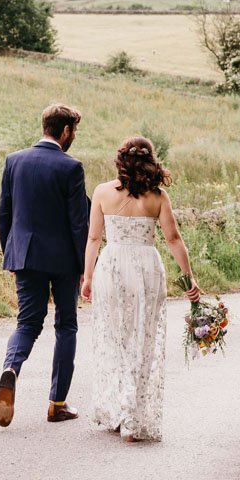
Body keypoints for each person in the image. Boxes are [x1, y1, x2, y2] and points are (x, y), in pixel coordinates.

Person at [80, 137, 201, 443]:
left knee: (114, 337)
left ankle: (119, 410)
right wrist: (189, 278)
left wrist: (88, 276)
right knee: (141, 340)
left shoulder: (102, 192)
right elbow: (173, 239)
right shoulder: (158, 197)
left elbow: (94, 239)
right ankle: (133, 415)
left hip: (112, 267)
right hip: (146, 268)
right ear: (150, 161)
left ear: (120, 161)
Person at [0, 103, 90, 427]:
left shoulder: (14, 161)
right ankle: (57, 404)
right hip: (63, 260)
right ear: (65, 131)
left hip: (26, 256)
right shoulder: (71, 168)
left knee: (27, 324)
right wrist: (84, 268)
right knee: (66, 326)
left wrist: (13, 254)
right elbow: (79, 224)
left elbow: (3, 215)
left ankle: (11, 368)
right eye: (73, 131)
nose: (73, 136)